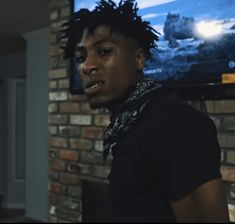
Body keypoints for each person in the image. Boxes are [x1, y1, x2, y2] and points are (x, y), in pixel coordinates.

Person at [61, 0, 230, 222]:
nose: (87, 66)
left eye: (104, 51)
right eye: (81, 58)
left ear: (139, 59)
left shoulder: (174, 123)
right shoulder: (130, 121)